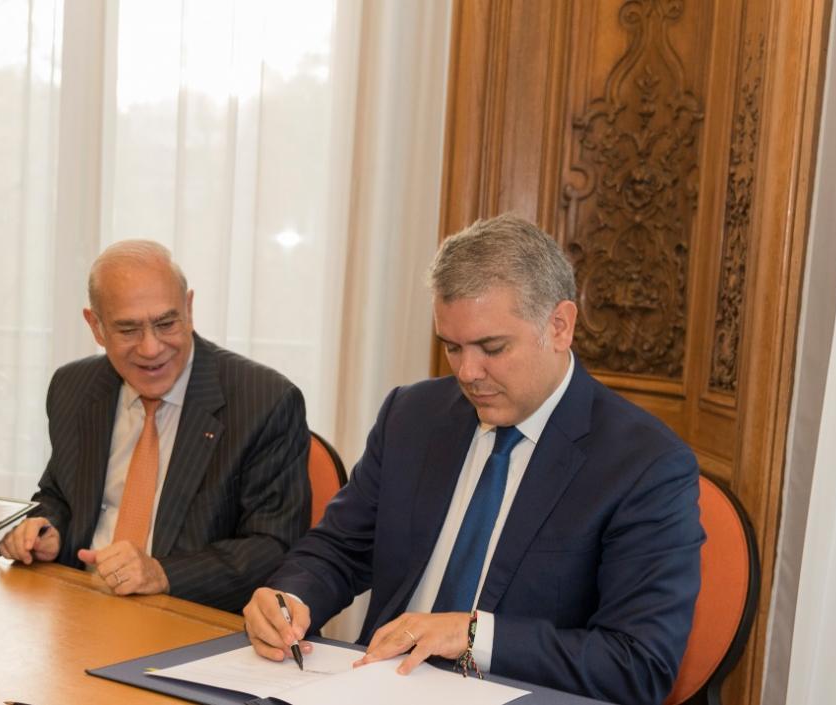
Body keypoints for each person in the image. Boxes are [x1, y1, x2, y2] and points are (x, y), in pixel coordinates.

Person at [242, 214, 704, 705]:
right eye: (452, 346)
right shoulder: (412, 415)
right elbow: (339, 548)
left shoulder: (643, 464)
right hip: (376, 688)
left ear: (560, 326)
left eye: (492, 347)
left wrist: (473, 636)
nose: (467, 372)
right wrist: (290, 597)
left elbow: (638, 664)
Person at [0, 240, 310, 613]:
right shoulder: (74, 388)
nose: (151, 349)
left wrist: (163, 573)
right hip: (79, 607)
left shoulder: (264, 400)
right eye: (128, 330)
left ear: (189, 309)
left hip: (191, 621)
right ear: (96, 326)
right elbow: (59, 496)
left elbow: (274, 546)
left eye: (166, 323)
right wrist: (46, 530)